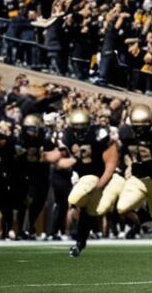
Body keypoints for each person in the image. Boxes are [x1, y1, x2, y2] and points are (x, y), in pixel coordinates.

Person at [44, 109, 122, 258]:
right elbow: (64, 157)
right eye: (76, 127)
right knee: (83, 208)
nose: (79, 131)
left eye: (82, 127)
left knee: (90, 210)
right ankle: (80, 243)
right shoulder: (66, 135)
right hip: (83, 177)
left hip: (99, 176)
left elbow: (111, 163)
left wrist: (100, 184)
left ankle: (80, 242)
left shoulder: (99, 134)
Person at [115, 104, 152, 245]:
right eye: (137, 126)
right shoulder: (125, 132)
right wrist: (127, 165)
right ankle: (145, 222)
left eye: (143, 126)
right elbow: (123, 152)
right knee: (122, 207)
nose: (140, 129)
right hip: (138, 178)